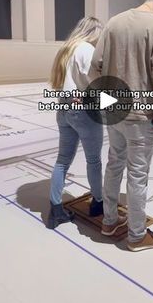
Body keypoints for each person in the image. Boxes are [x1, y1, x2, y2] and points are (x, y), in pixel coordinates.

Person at [90, 0, 153, 251]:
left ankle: (109, 221)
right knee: (137, 175)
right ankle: (137, 236)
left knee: (114, 164)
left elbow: (95, 67)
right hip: (141, 115)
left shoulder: (114, 22)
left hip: (114, 111)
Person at [47, 17, 104, 229]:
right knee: (93, 160)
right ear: (94, 33)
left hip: (63, 107)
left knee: (62, 160)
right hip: (84, 111)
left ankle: (56, 210)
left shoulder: (65, 49)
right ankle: (98, 203)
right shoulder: (86, 50)